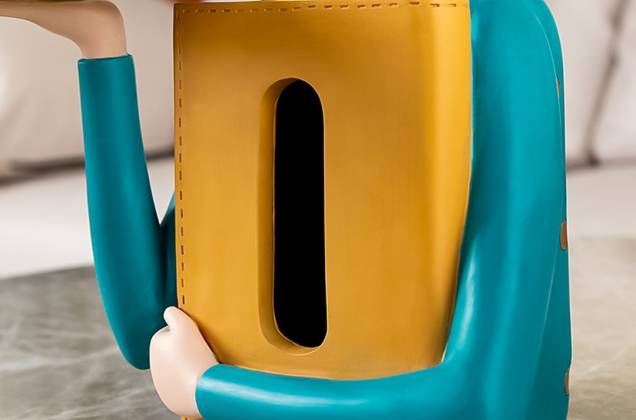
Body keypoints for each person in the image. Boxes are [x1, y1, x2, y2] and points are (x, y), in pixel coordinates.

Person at [0, 1, 572, 419]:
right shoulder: (262, 32)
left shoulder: (495, 26)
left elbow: (481, 402)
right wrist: (99, 38)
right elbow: (152, 330)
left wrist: (206, 389)